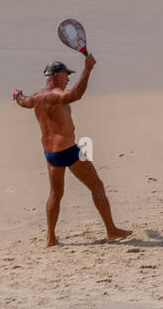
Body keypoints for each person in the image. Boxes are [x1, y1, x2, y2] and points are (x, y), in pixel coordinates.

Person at [12, 58, 131, 246]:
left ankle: (50, 238)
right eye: (66, 75)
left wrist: (18, 95)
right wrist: (88, 69)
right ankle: (111, 230)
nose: (68, 79)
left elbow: (23, 101)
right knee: (97, 185)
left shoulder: (36, 97)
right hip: (68, 150)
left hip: (50, 153)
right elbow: (76, 94)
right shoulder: (56, 95)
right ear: (57, 75)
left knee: (55, 194)